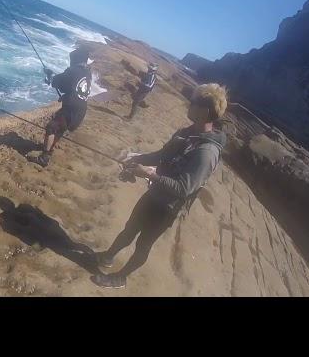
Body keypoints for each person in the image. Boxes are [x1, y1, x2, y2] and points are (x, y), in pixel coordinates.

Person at [91, 83, 228, 288]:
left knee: (143, 245)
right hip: (154, 194)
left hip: (167, 207)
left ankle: (121, 277)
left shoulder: (207, 152)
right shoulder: (187, 132)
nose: (188, 105)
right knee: (129, 229)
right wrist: (139, 160)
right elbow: (162, 155)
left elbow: (184, 189)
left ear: (205, 111)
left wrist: (150, 176)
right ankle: (107, 257)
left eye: (193, 103)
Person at [31, 48, 92, 167]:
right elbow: (72, 87)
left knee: (51, 128)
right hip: (80, 111)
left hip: (71, 109)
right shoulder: (87, 72)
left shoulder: (73, 70)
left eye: (72, 59)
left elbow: (57, 82)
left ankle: (44, 157)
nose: (70, 61)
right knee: (60, 129)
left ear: (75, 59)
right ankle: (48, 148)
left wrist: (50, 76)